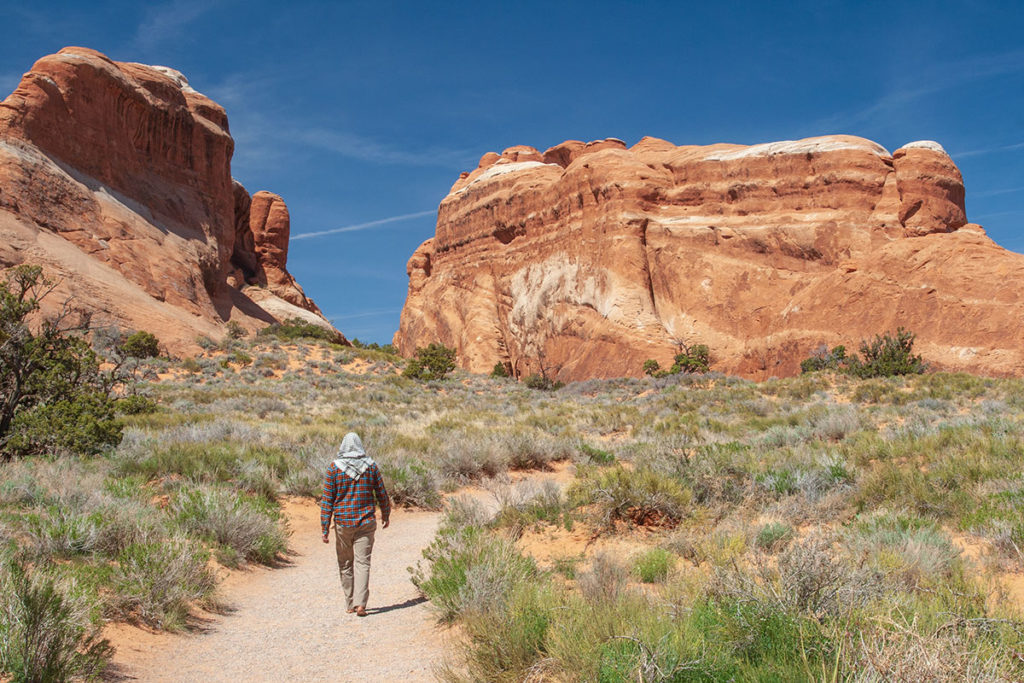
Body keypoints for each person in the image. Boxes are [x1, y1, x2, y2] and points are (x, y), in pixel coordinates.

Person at [320, 432, 391, 617]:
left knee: (345, 562)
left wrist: (324, 527)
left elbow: (327, 500)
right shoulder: (371, 466)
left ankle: (350, 603)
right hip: (366, 522)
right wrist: (386, 513)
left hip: (343, 523)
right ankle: (361, 604)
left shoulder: (334, 468)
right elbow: (381, 493)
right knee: (363, 562)